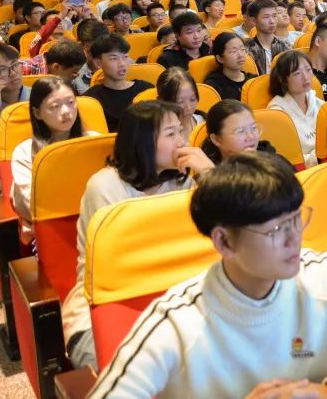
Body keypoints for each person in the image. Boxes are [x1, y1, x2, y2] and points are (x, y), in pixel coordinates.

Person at [86, 151, 327, 399]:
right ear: (224, 241)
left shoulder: (322, 275)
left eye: (296, 220)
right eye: (275, 230)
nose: (294, 238)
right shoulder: (177, 321)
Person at [63, 101, 215, 370]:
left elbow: (224, 236)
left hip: (176, 299)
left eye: (181, 131)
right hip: (111, 302)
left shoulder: (182, 182)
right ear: (142, 142)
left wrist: (210, 175)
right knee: (131, 371)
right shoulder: (105, 187)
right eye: (171, 134)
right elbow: (121, 265)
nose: (182, 141)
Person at [11, 77, 93, 231]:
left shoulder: (94, 141)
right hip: (52, 228)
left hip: (97, 224)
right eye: (55, 106)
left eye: (71, 102)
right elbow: (32, 205)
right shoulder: (25, 152)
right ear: (37, 113)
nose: (66, 111)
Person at [84, 34, 155, 131]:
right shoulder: (91, 100)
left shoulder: (146, 89)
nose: (122, 64)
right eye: (114, 58)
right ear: (98, 63)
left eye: (125, 57)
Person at [266, 50, 324, 168]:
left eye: (308, 70)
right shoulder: (277, 113)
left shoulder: (319, 103)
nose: (305, 77)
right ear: (283, 79)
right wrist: (320, 158)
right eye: (297, 73)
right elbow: (287, 159)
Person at [201, 100, 278, 164]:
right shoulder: (207, 168)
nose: (251, 137)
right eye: (240, 131)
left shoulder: (271, 161)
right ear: (216, 139)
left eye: (254, 128)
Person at [203, 32, 255, 102]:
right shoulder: (213, 86)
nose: (240, 55)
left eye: (242, 49)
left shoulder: (253, 80)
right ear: (220, 58)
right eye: (233, 51)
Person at [245, 0, 290, 75]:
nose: (272, 21)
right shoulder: (246, 48)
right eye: (266, 17)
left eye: (274, 16)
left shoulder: (285, 46)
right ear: (254, 20)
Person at [157, 68, 204, 138]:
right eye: (180, 102)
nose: (189, 107)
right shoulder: (156, 135)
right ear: (162, 101)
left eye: (192, 99)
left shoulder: (202, 124)